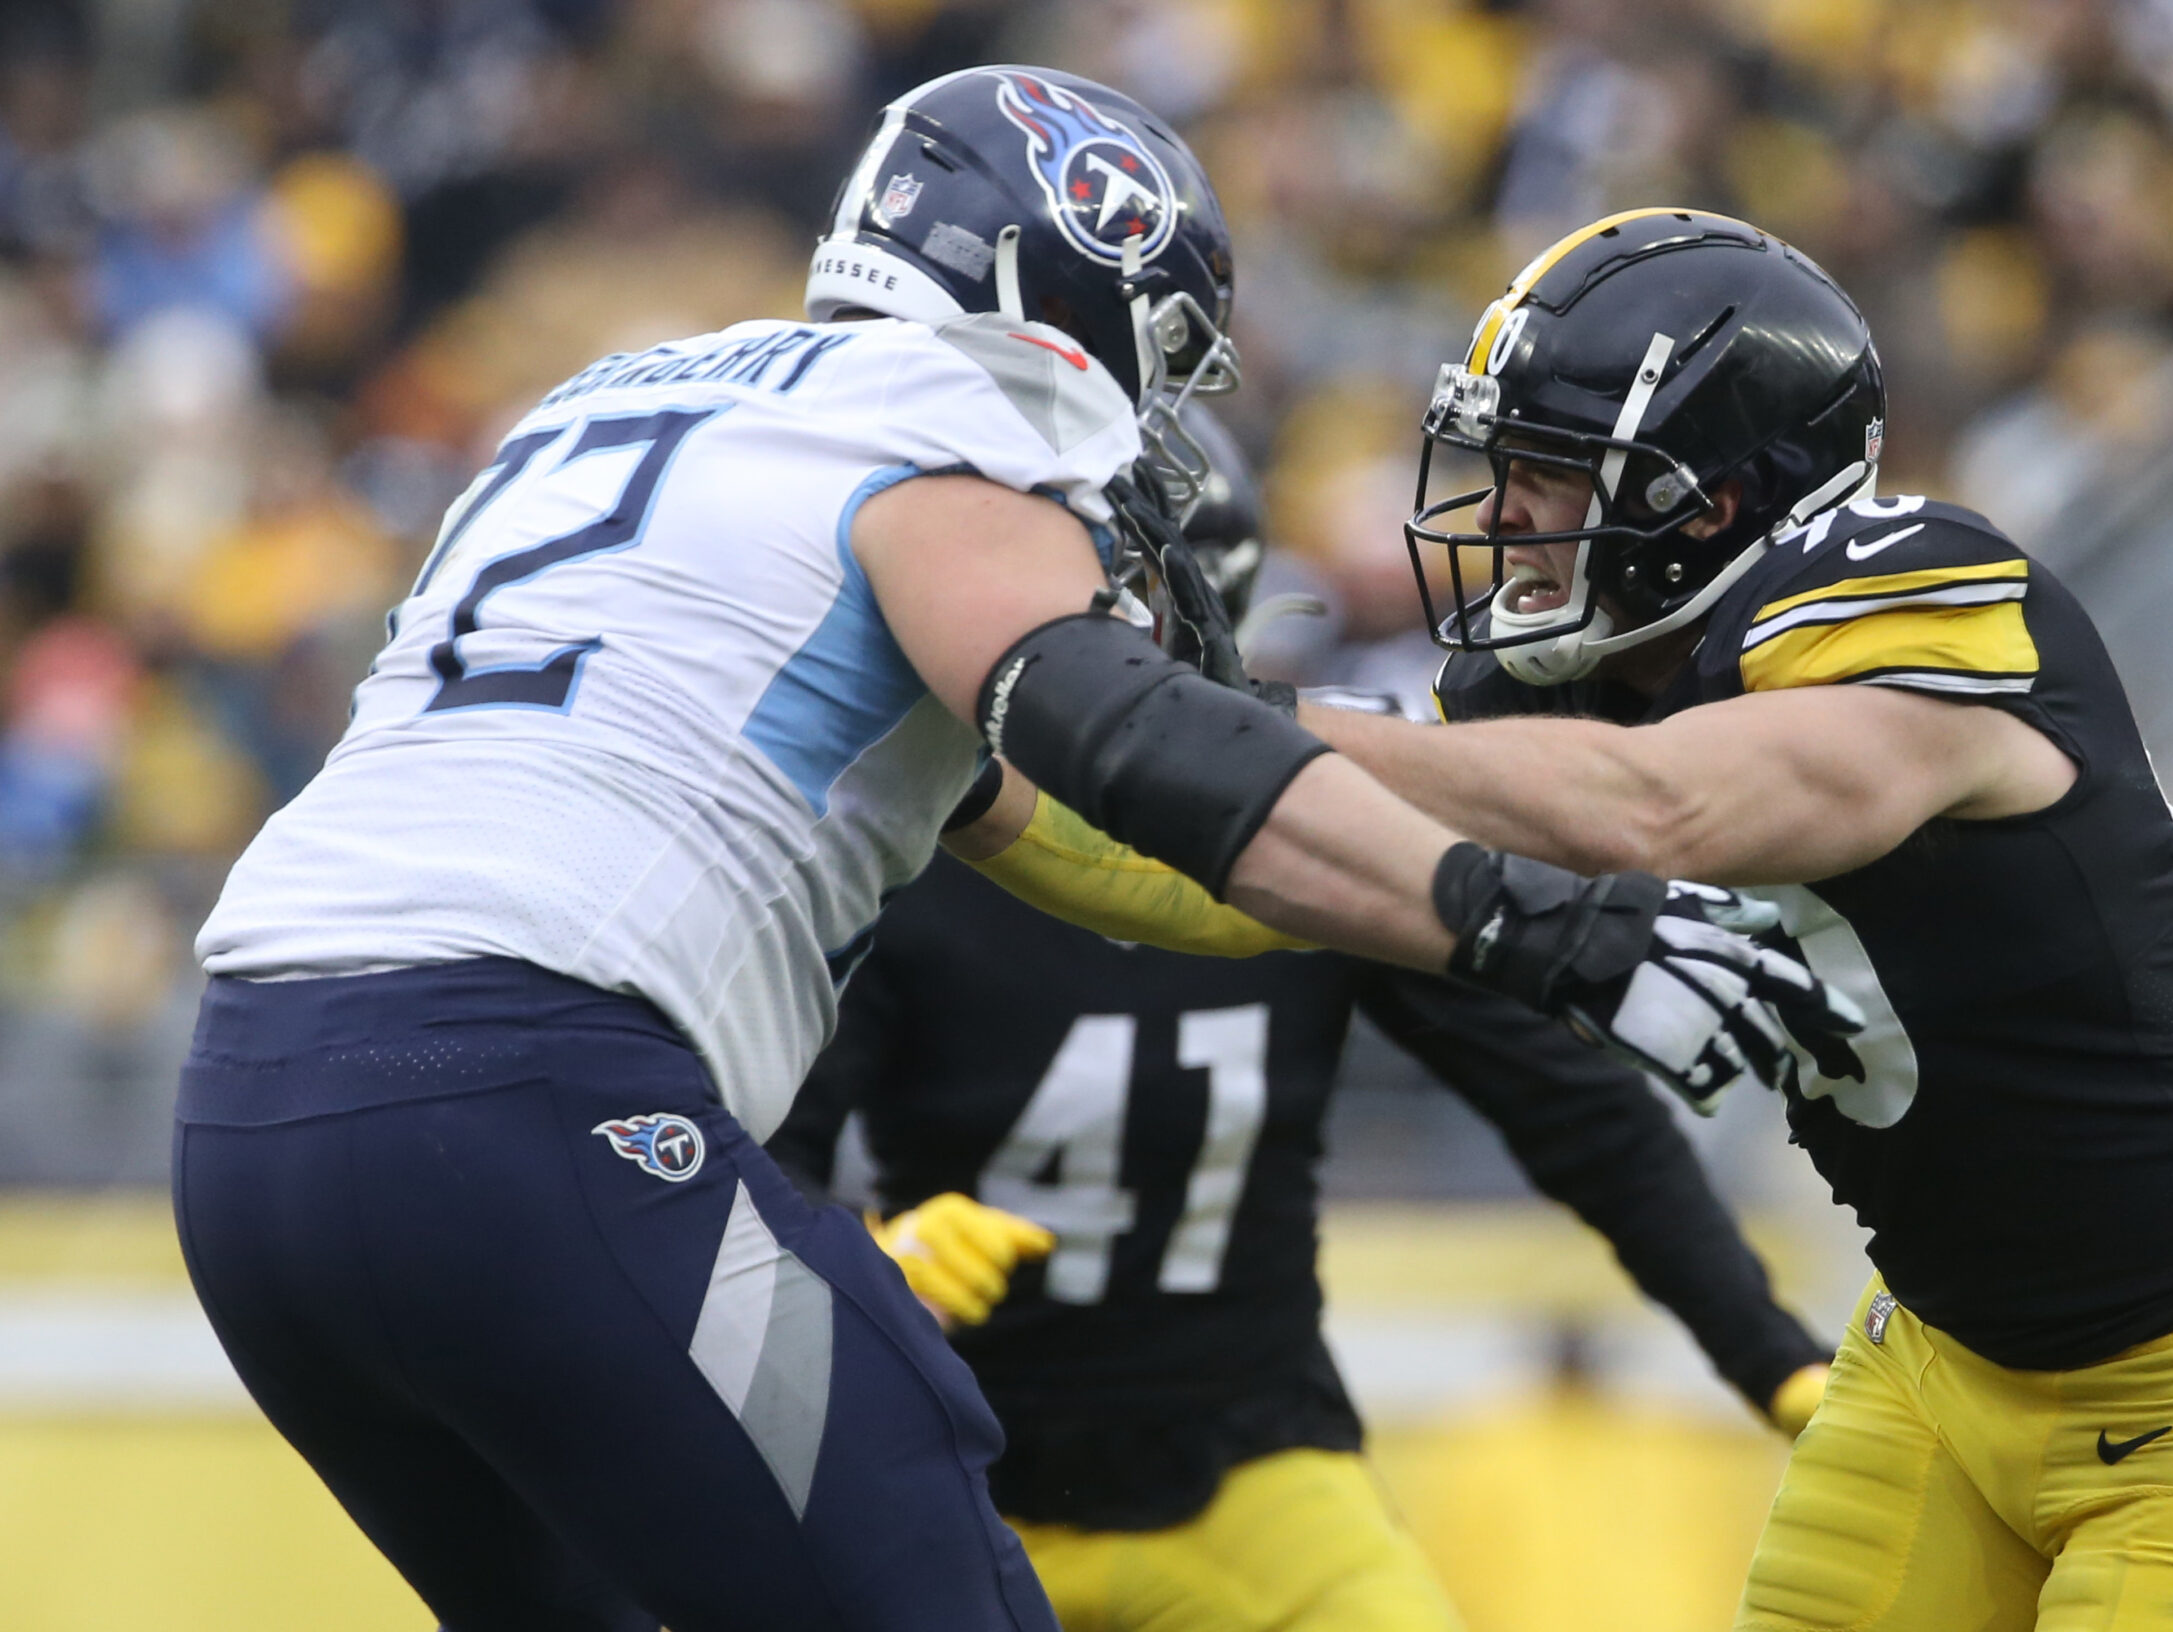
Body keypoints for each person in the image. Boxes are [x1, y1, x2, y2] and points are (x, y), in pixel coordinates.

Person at [169, 68, 1854, 1632]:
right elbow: (1119, 734)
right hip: (530, 1110)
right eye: (1163, 352)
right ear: (1069, 285)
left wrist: (1448, 903)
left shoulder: (630, 402)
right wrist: (1540, 928)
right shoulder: (953, 423)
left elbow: (1106, 851)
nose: (1156, 424)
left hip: (253, 1128)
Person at [1034, 208, 2173, 1631]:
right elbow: (1261, 877)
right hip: (1939, 1363)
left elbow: (1660, 809)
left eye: (1550, 475)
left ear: (1708, 501)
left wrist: (1233, 719)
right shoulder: (1568, 685)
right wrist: (1005, 769)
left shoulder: (1916, 594)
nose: (1501, 511)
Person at [770, 427, 1833, 1632]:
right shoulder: (907, 852)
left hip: (1250, 1461)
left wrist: (1766, 1350)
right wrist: (861, 1262)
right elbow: (758, 1146)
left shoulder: (1306, 843)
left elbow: (1573, 1111)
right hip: (956, 1466)